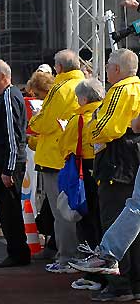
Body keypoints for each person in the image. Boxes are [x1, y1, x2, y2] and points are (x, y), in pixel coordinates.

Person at [71, 49, 140, 301]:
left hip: (117, 162)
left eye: (109, 65)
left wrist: (92, 127)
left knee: (114, 221)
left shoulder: (121, 90)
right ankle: (133, 283)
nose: (107, 70)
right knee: (133, 224)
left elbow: (104, 127)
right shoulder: (136, 87)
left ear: (118, 70)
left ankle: (119, 284)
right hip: (131, 160)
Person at [28, 49, 85, 274]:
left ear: (59, 67)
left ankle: (67, 257)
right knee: (78, 210)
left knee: (61, 212)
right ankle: (78, 254)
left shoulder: (60, 89)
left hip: (54, 157)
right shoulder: (86, 83)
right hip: (76, 154)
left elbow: (44, 122)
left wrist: (35, 119)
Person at [57, 78, 106, 291]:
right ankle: (107, 271)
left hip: (82, 171)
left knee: (85, 223)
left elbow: (65, 146)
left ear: (84, 98)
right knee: (104, 221)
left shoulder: (78, 118)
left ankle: (91, 274)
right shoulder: (106, 111)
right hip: (105, 169)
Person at [0, 60, 30, 268]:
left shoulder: (8, 98)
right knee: (7, 209)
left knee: (10, 209)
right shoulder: (5, 97)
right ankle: (16, 250)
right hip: (5, 159)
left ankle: (18, 252)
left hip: (8, 162)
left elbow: (14, 136)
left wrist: (8, 169)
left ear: (3, 76)